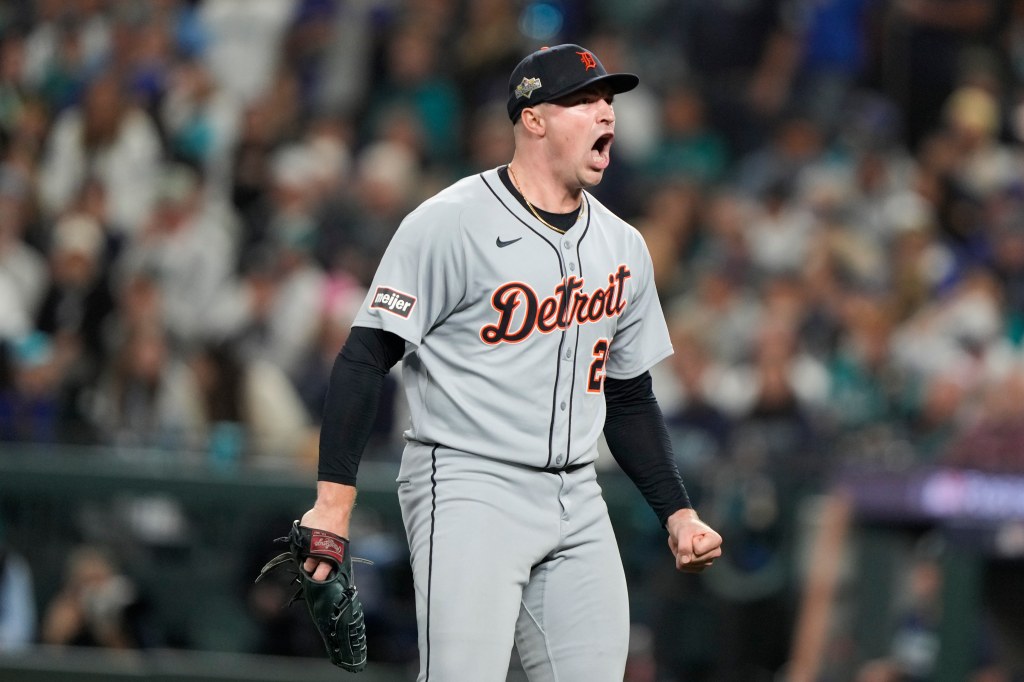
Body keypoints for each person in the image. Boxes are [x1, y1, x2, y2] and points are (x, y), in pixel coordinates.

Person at [295, 44, 723, 681]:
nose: (607, 114)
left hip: (578, 492)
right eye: (585, 101)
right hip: (469, 482)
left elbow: (628, 396)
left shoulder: (623, 246)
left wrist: (678, 513)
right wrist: (332, 503)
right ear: (534, 119)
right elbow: (364, 358)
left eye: (610, 101)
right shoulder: (449, 222)